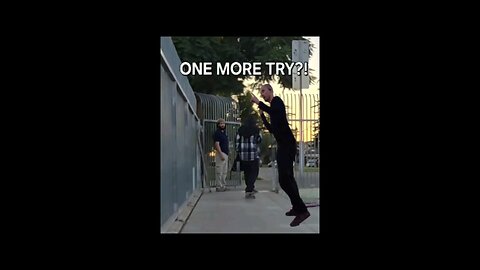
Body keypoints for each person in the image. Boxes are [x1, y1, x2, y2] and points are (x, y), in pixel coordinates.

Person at [251, 84, 310, 227]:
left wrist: (258, 103)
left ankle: (302, 210)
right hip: (284, 145)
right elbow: (272, 129)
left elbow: (274, 111)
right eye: (261, 93)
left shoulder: (277, 101)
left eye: (263, 91)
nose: (262, 95)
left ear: (270, 91)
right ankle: (297, 208)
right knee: (288, 178)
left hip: (287, 144)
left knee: (284, 179)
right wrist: (262, 116)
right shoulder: (272, 109)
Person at [236, 115, 262, 199]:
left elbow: (237, 141)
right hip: (253, 154)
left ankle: (250, 188)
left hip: (243, 155)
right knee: (254, 172)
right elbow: (259, 140)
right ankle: (249, 190)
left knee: (247, 173)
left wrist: (239, 151)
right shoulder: (256, 130)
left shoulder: (240, 130)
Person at [213, 118, 229, 192]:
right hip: (221, 153)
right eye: (221, 123)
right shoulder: (217, 133)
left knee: (224, 171)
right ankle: (218, 186)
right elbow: (217, 144)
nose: (222, 125)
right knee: (219, 171)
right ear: (218, 125)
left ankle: (223, 185)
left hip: (226, 154)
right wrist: (220, 154)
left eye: (223, 123)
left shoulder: (224, 133)